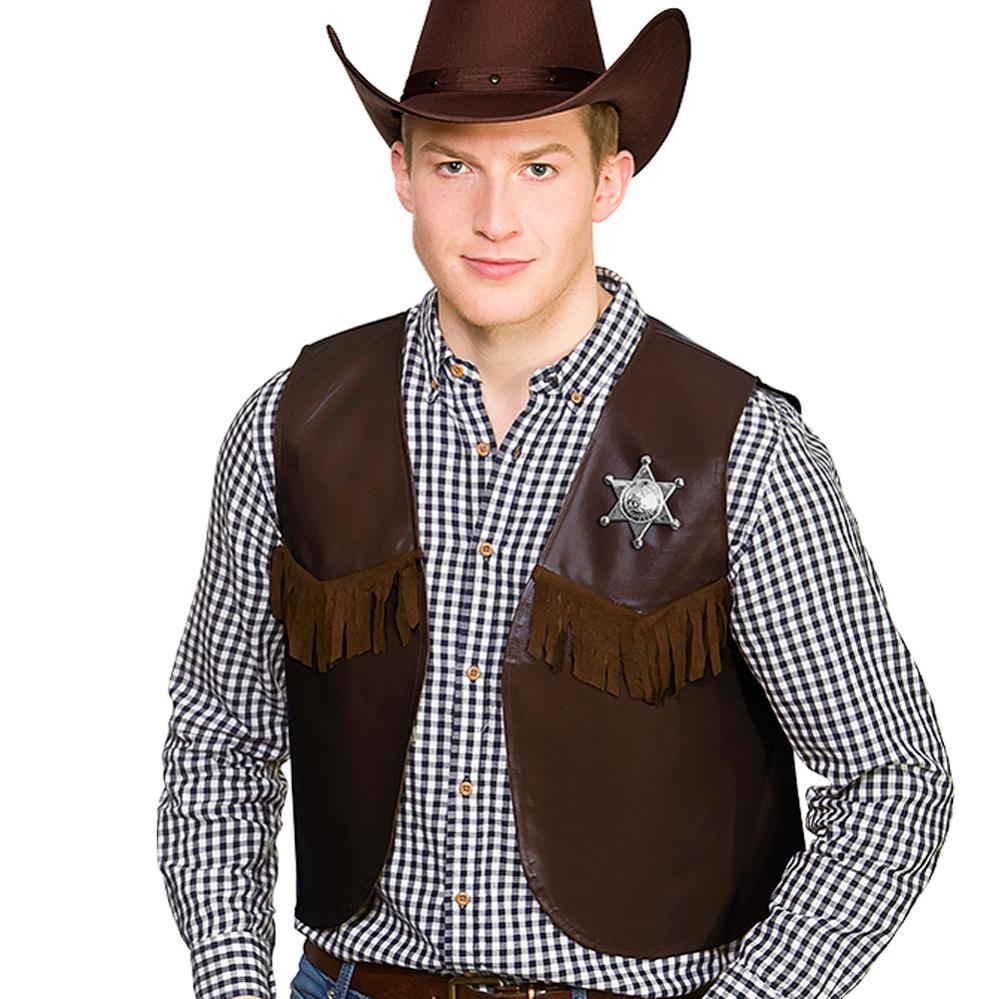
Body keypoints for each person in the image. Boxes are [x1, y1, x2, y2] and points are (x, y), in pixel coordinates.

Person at [156, 4, 954, 999]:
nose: (495, 218)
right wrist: (232, 984)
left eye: (539, 168)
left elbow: (892, 779)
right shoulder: (291, 424)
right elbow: (221, 737)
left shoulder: (743, 450)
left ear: (607, 181)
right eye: (455, 166)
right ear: (402, 173)